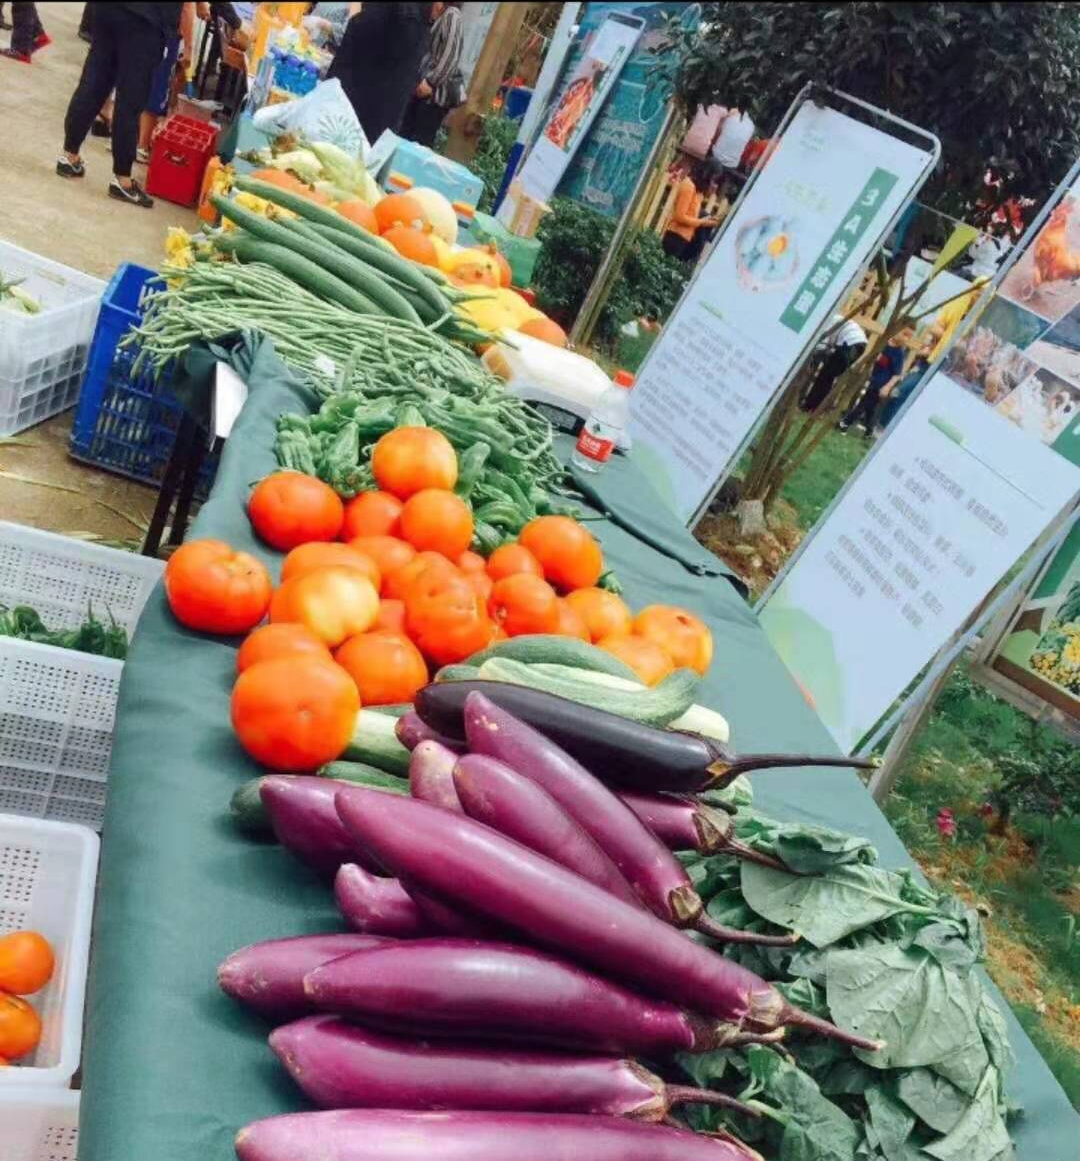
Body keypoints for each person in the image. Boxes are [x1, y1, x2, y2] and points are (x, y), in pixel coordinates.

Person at [58, 3, 183, 207]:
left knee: (95, 80)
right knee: (131, 97)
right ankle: (122, 180)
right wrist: (235, 22)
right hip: (144, 20)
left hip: (108, 10)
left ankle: (69, 156)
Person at [328, 2, 430, 143]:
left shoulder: (403, 13)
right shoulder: (417, 15)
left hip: (357, 112)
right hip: (373, 118)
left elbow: (360, 33)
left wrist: (355, 9)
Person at [400, 2, 464, 148]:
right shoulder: (435, 13)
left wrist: (431, 82)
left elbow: (450, 57)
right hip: (421, 89)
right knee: (406, 136)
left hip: (434, 95)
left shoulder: (452, 15)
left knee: (419, 142)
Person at [137, 3, 195, 165]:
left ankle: (122, 137)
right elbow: (186, 8)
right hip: (164, 31)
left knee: (135, 79)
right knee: (156, 88)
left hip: (138, 22)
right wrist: (189, 47)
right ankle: (141, 145)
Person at [839, 325, 914, 435]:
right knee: (870, 408)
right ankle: (869, 431)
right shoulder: (884, 343)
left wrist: (887, 387)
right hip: (874, 380)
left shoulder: (899, 354)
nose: (906, 339)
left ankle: (845, 423)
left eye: (909, 337)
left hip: (881, 385)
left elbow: (896, 374)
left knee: (863, 404)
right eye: (904, 334)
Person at [801, 315, 869, 412]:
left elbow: (825, 340)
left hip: (849, 344)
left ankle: (811, 405)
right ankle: (816, 406)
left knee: (825, 376)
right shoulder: (838, 318)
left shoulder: (830, 320)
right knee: (829, 376)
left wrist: (817, 351)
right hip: (859, 345)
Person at [661, 156, 720, 264]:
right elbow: (680, 216)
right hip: (675, 237)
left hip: (684, 239)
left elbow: (692, 215)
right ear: (707, 174)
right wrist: (702, 222)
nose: (713, 184)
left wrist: (707, 220)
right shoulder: (688, 186)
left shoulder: (697, 191)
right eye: (713, 179)